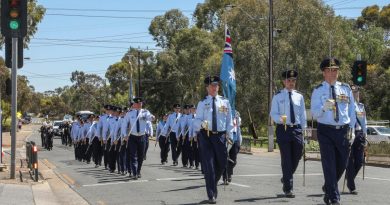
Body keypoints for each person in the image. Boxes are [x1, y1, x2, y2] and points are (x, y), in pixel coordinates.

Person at [310, 58, 356, 205]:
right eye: (329, 71)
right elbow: (314, 114)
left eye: (335, 70)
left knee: (343, 163)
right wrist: (324, 108)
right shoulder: (318, 91)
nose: (333, 73)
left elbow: (352, 111)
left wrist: (353, 129)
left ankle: (328, 187)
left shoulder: (346, 88)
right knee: (329, 164)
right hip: (325, 131)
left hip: (342, 130)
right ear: (323, 73)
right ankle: (335, 198)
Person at [194, 75, 233, 204]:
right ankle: (211, 194)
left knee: (222, 163)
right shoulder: (202, 103)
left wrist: (230, 134)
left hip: (220, 136)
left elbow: (229, 120)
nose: (215, 87)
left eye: (216, 85)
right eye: (212, 85)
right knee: (209, 166)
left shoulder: (225, 102)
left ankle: (213, 182)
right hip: (206, 136)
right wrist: (202, 125)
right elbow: (197, 120)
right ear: (207, 88)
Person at [270, 70, 307, 198]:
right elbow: (273, 114)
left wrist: (304, 130)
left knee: (297, 155)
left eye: (293, 81)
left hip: (296, 129)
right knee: (286, 159)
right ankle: (288, 188)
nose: (291, 83)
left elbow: (302, 115)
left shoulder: (299, 96)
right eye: (289, 80)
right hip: (283, 129)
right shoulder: (278, 96)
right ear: (284, 81)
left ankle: (287, 176)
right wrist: (281, 119)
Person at [122, 97, 154, 179]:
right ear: (134, 104)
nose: (139, 104)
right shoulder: (130, 113)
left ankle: (138, 170)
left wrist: (152, 117)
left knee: (141, 155)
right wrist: (125, 135)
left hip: (142, 136)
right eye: (137, 103)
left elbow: (149, 117)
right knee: (133, 155)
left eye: (140, 103)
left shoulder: (145, 112)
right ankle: (135, 172)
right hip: (132, 136)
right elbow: (124, 125)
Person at [346, 85, 367, 195]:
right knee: (349, 161)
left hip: (359, 135)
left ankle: (349, 177)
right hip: (349, 134)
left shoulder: (361, 106)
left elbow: (364, 121)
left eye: (357, 93)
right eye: (353, 93)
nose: (355, 94)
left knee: (359, 162)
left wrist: (365, 134)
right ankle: (351, 186)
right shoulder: (346, 105)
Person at [223, 110, 243, 185]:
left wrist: (239, 141)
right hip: (228, 139)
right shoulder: (225, 112)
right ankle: (227, 176)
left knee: (233, 161)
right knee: (226, 158)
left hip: (236, 140)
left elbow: (238, 128)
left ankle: (229, 172)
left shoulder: (237, 114)